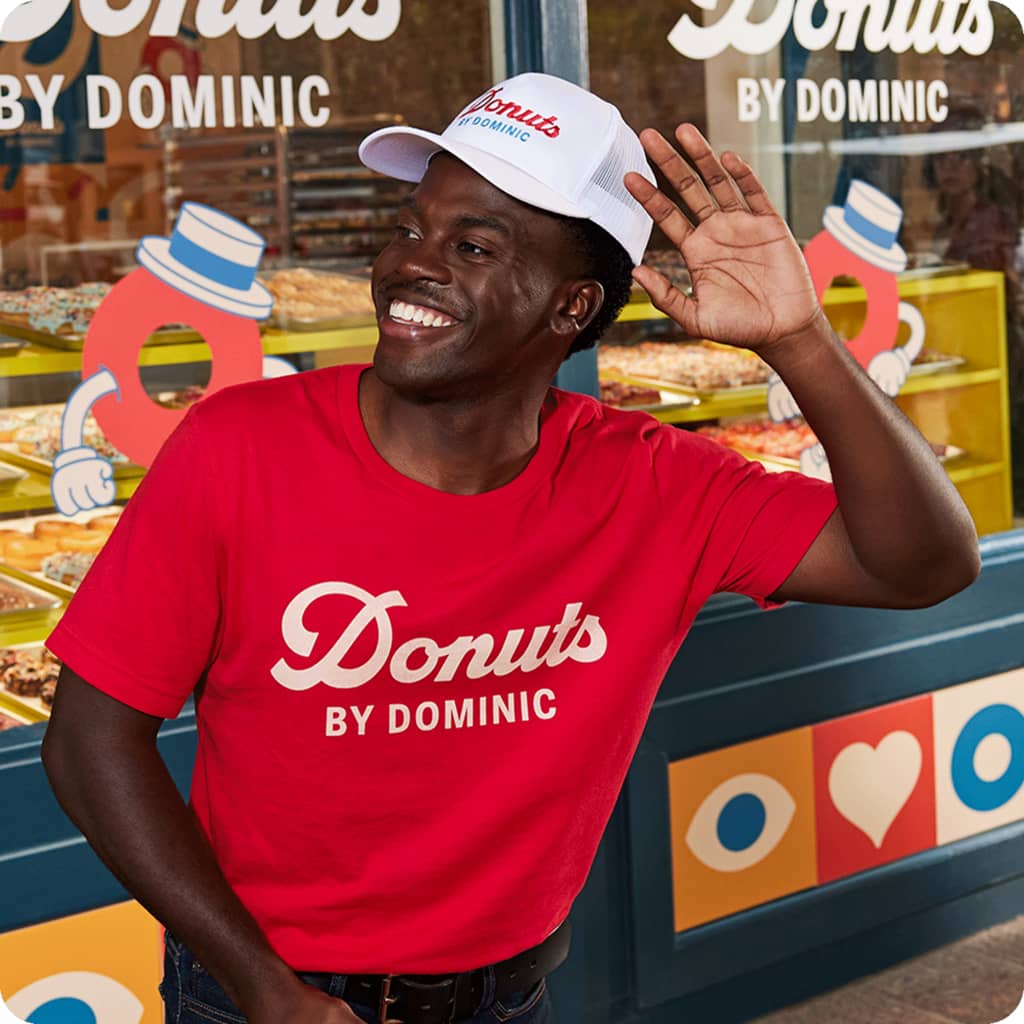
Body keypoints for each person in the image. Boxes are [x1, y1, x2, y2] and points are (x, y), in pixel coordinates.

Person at [39, 73, 980, 1024]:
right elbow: (88, 741)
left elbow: (925, 566)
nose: (412, 263)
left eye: (474, 246)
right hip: (258, 994)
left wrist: (802, 340)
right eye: (411, 228)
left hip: (509, 997)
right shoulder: (239, 446)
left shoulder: (658, 482)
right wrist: (261, 987)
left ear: (570, 307)